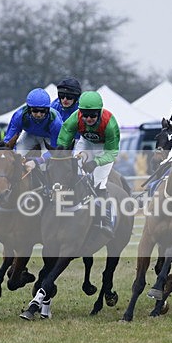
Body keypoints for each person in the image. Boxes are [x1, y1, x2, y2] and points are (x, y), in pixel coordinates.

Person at [56, 90, 120, 235]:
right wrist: (62, 152)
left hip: (105, 150)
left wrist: (96, 162)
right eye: (85, 115)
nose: (88, 118)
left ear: (99, 112)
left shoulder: (110, 123)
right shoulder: (75, 118)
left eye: (92, 115)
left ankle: (106, 218)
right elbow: (64, 137)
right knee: (74, 173)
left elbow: (112, 153)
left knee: (98, 182)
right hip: (86, 143)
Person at [3, 88, 63, 167]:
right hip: (29, 135)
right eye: (35, 110)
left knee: (44, 165)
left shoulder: (55, 122)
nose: (38, 114)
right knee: (15, 158)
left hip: (48, 139)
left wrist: (37, 161)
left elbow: (55, 149)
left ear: (48, 110)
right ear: (28, 109)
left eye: (42, 111)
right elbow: (8, 141)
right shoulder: (19, 116)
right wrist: (13, 154)